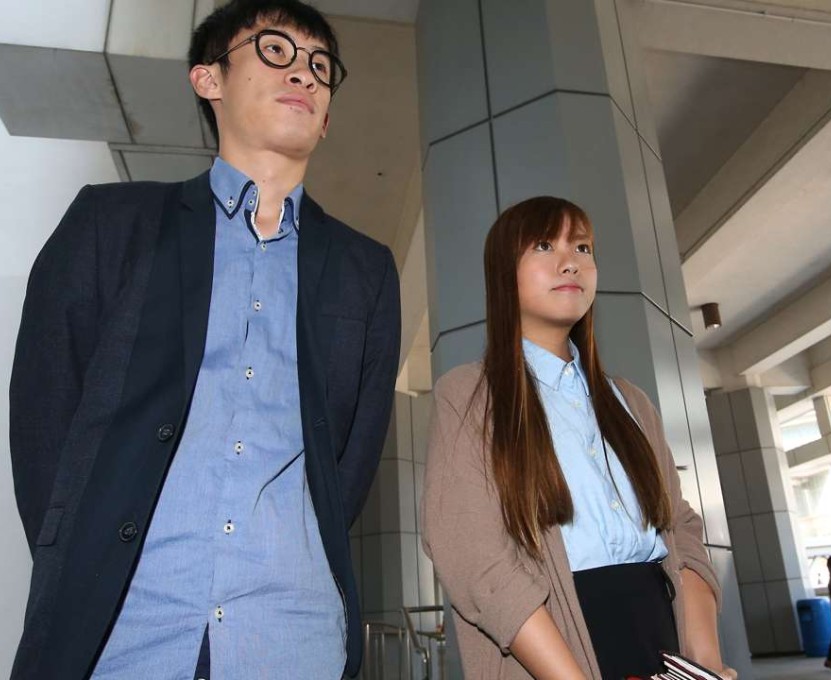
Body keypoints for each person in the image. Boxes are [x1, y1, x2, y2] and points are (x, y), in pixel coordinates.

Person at [9, 1, 400, 678]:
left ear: (329, 117)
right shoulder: (109, 225)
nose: (304, 74)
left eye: (320, 67)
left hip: (293, 637)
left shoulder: (365, 270)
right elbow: (45, 418)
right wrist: (78, 561)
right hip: (119, 634)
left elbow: (349, 463)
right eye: (276, 51)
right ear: (207, 80)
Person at [421, 197, 735, 679]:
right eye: (545, 244)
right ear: (504, 273)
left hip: (659, 636)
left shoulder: (632, 402)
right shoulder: (468, 396)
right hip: (553, 646)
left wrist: (705, 657)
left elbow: (680, 528)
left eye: (583, 247)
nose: (571, 261)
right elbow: (471, 553)